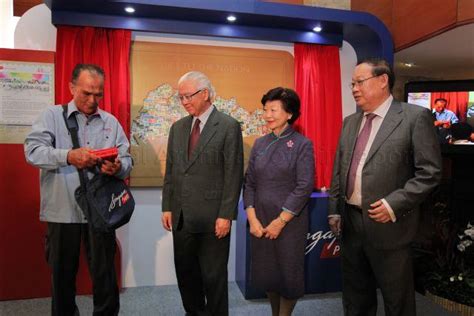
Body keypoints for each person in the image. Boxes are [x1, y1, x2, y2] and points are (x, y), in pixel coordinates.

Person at [328, 58, 442, 316]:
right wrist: (334, 209)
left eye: (360, 82)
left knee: (397, 301)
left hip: (390, 225)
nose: (354, 88)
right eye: (352, 83)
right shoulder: (350, 123)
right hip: (351, 224)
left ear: (382, 81)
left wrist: (394, 203)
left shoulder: (414, 117)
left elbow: (430, 173)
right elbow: (339, 170)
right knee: (356, 298)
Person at [24, 63, 132, 315]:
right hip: (62, 212)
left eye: (98, 94)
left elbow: (127, 160)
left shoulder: (111, 122)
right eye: (86, 93)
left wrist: (118, 168)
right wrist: (69, 156)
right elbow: (32, 152)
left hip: (101, 214)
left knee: (105, 278)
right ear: (72, 87)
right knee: (62, 279)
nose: (93, 100)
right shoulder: (50, 116)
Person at [161, 71, 243, 316]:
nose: (184, 101)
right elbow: (172, 170)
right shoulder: (178, 128)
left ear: (205, 93)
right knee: (186, 275)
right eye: (181, 97)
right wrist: (167, 206)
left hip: (213, 219)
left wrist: (226, 215)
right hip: (181, 217)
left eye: (188, 96)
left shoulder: (228, 126)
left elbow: (233, 173)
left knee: (213, 278)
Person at [243, 87, 314, 316]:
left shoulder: (302, 144)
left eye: (274, 109)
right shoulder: (260, 144)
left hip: (289, 222)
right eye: (266, 110)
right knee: (268, 274)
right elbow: (250, 183)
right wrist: (252, 219)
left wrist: (280, 221)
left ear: (289, 113)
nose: (268, 115)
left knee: (288, 276)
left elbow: (304, 186)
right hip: (261, 221)